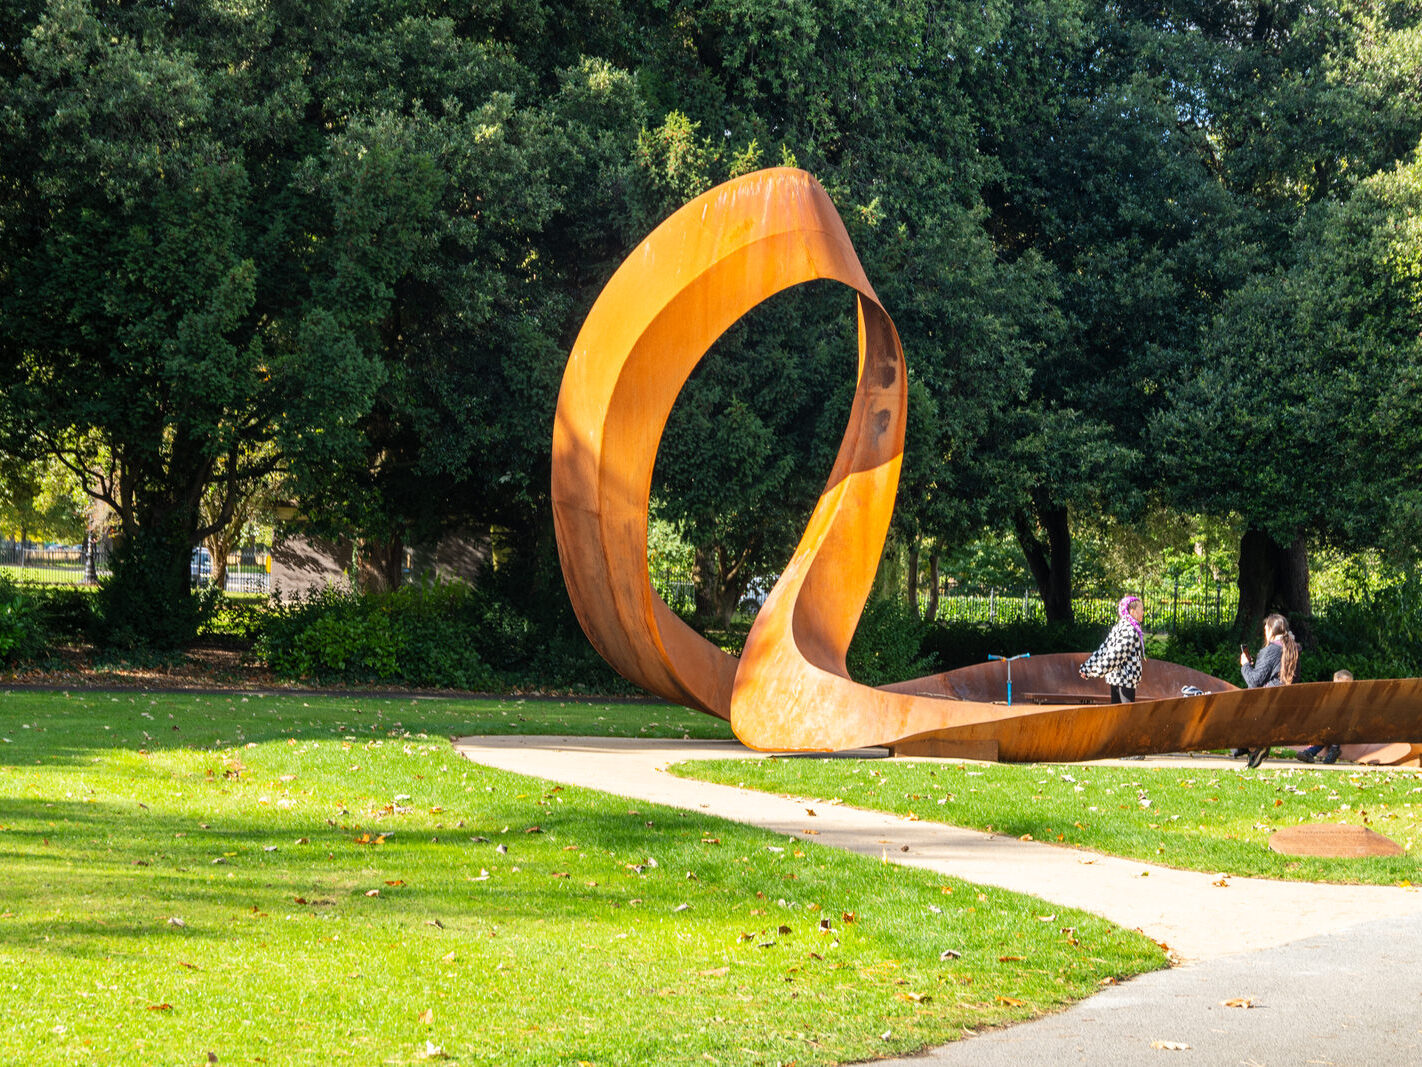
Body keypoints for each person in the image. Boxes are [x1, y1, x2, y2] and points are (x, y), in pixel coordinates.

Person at [1238, 613, 1301, 768]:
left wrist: (1245, 664)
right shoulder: (1293, 650)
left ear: (1271, 631)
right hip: (1285, 707)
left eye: (1265, 629)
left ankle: (1256, 747)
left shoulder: (1271, 650)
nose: (1265, 633)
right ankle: (1257, 748)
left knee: (1235, 712)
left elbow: (1254, 682)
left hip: (1266, 707)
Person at [1080, 595, 1147, 704]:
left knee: (1117, 713)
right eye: (1142, 609)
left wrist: (1088, 667)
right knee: (1126, 714)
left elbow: (1103, 650)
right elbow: (1117, 654)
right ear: (1132, 611)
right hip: (1126, 679)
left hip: (1116, 678)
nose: (1143, 612)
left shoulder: (1118, 627)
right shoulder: (1129, 630)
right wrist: (1096, 670)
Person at [1297, 668, 1350, 764]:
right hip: (1330, 728)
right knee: (1325, 733)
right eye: (1339, 685)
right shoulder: (1331, 697)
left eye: (1346, 685)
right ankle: (1310, 752)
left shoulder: (1352, 698)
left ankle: (1334, 749)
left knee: (1335, 726)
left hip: (1344, 727)